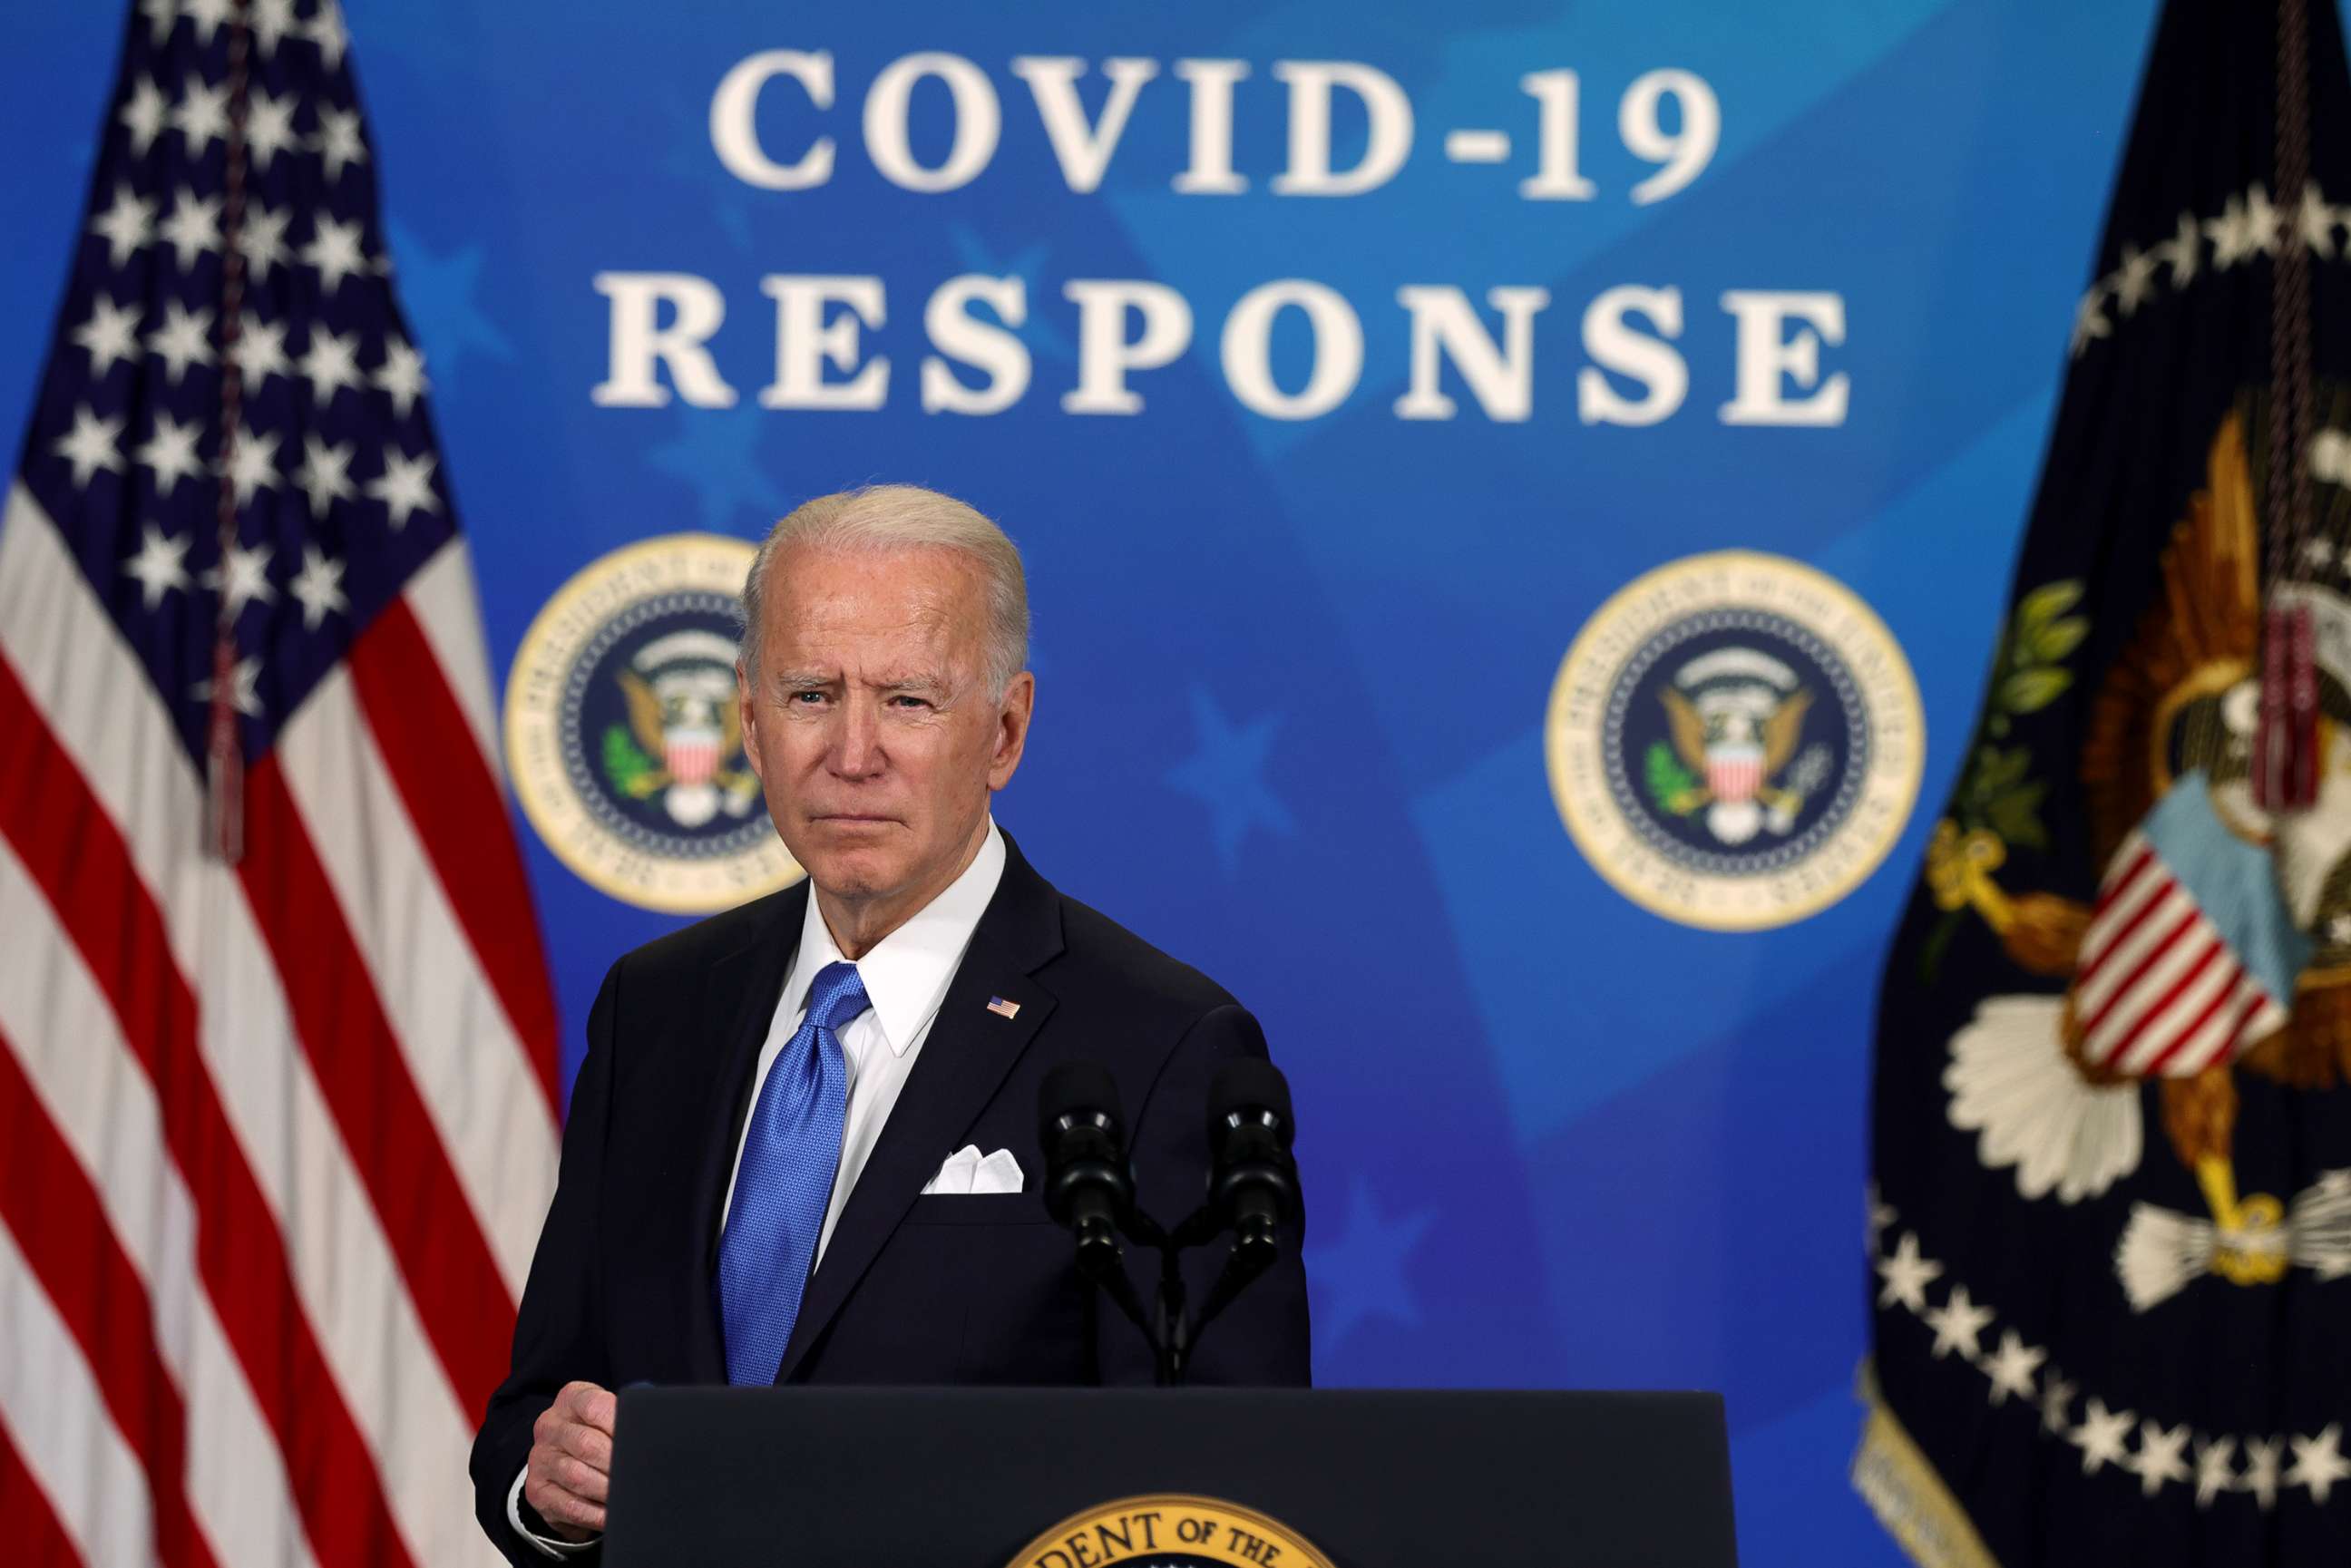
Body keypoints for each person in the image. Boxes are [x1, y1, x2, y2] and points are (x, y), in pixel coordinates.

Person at [469, 484, 1312, 1561]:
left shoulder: (1161, 1046)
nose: (852, 752)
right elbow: (537, 1408)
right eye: (812, 693)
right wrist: (551, 1494)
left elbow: (1216, 1508)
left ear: (1004, 732)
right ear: (750, 721)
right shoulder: (659, 1007)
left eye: (909, 701)